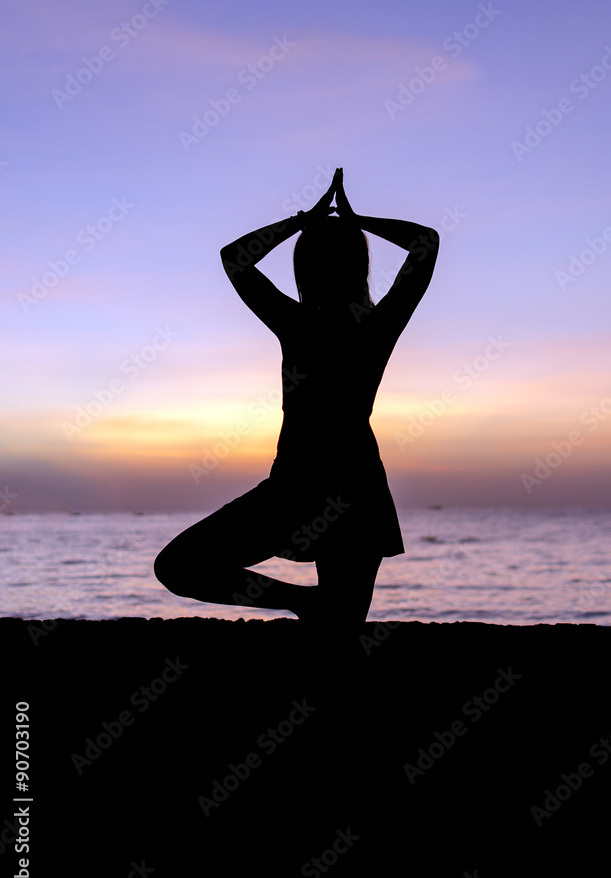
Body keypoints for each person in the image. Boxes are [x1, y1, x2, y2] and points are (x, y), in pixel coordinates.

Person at [154, 169, 439, 631]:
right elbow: (427, 241)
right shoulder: (371, 327)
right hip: (347, 489)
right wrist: (357, 220)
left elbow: (234, 259)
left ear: (302, 270)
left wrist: (300, 222)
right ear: (360, 267)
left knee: (182, 567)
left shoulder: (299, 323)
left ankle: (308, 603)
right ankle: (312, 604)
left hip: (304, 488)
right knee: (340, 628)